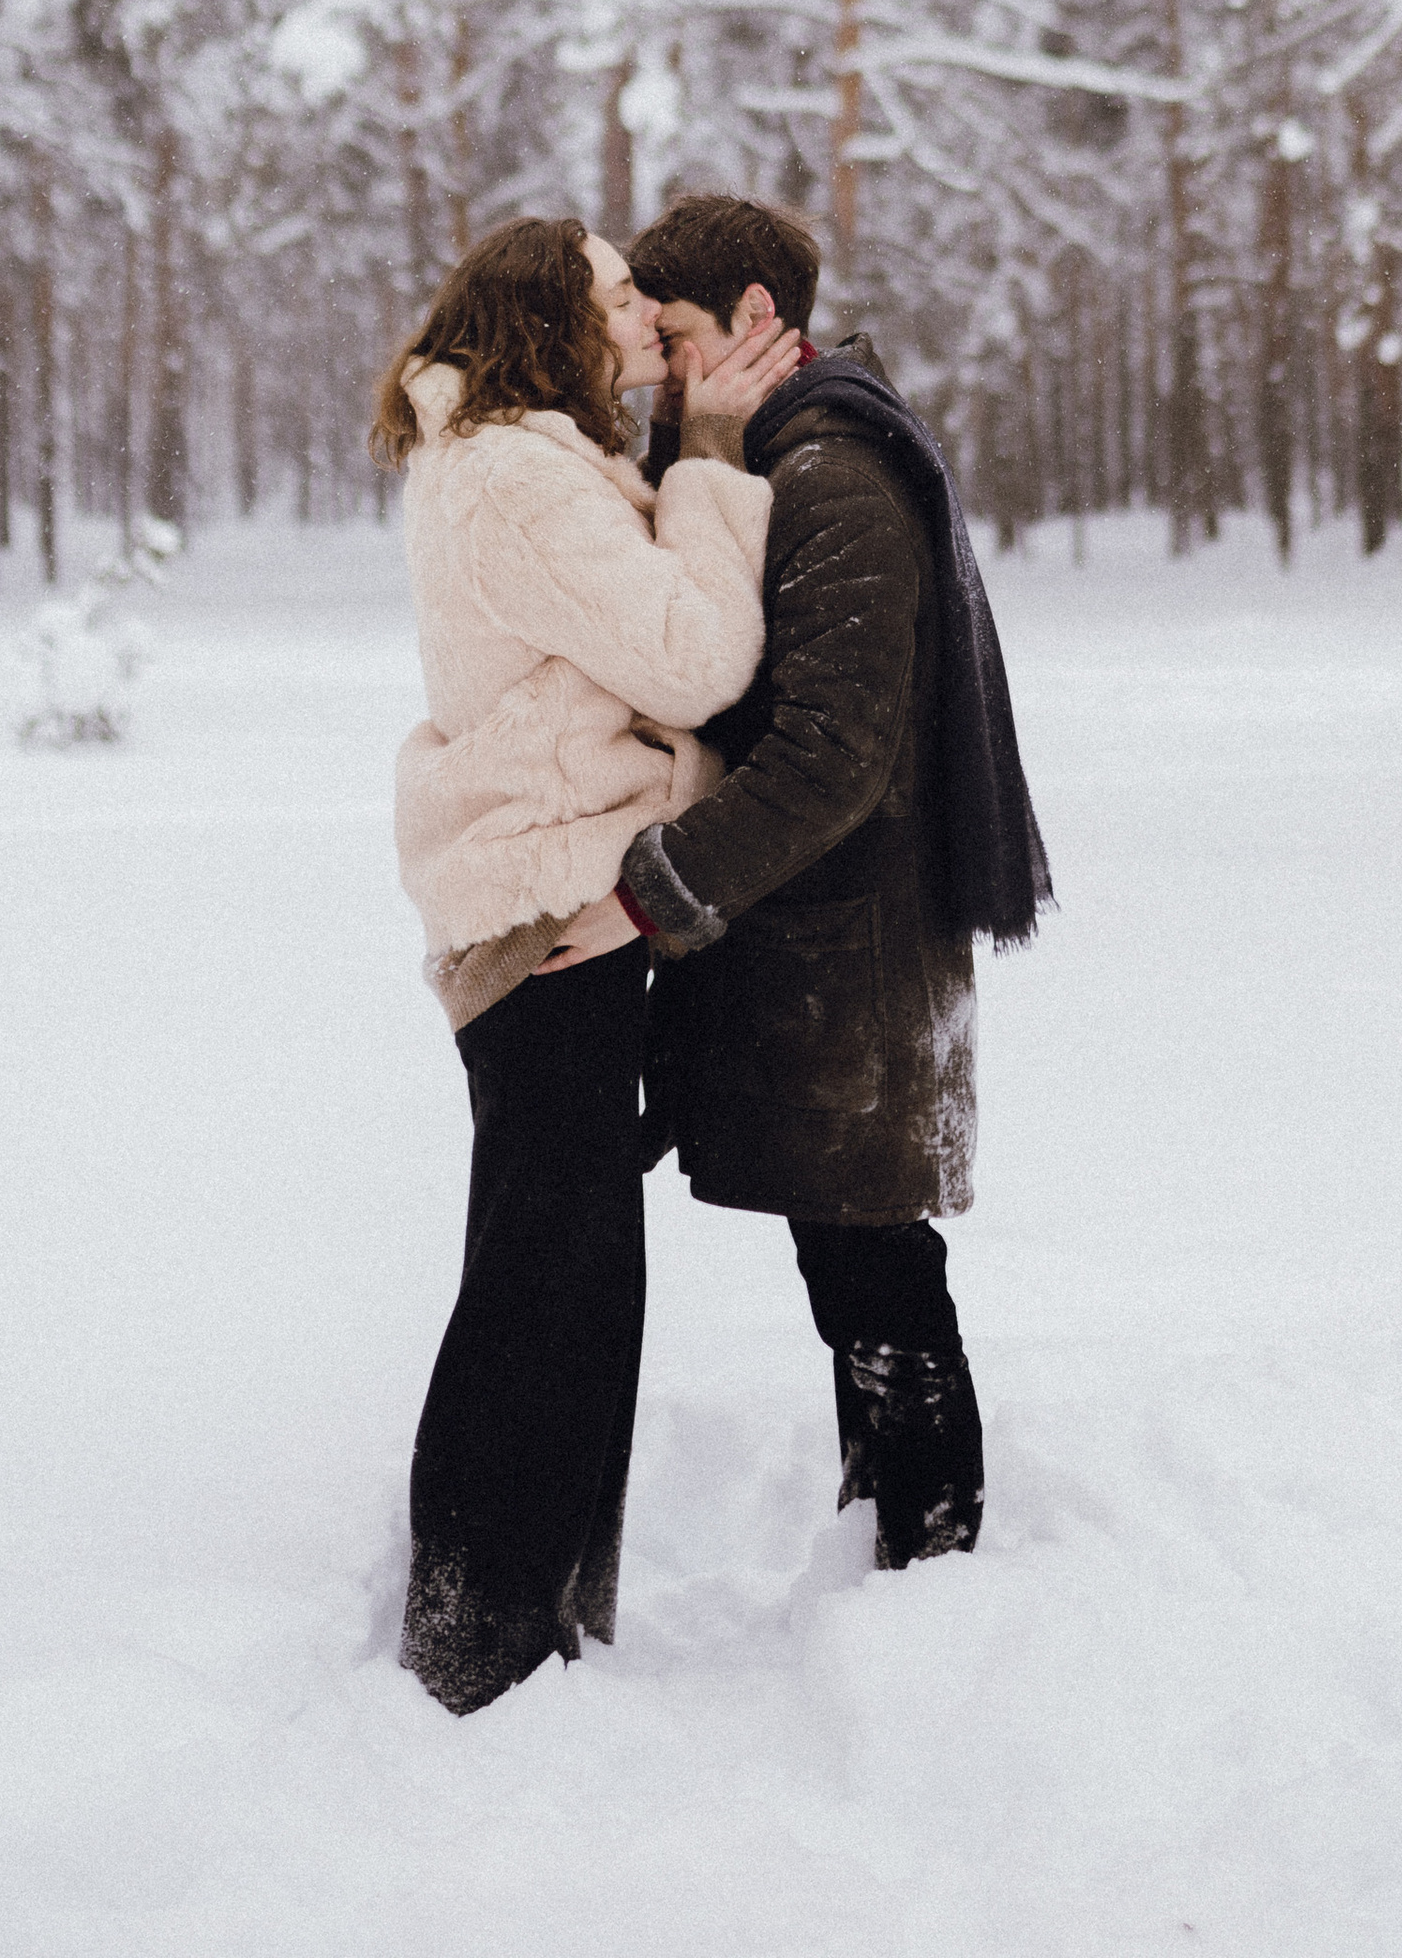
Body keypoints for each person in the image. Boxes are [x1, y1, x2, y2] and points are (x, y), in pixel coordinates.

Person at [594, 195, 1053, 1573]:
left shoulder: (834, 474)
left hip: (849, 958)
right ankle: (898, 1546)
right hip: (816, 950)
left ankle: (937, 1562)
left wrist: (655, 888)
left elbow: (833, 756)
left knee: (877, 1277)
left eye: (670, 336)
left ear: (750, 318)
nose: (657, 370)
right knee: (849, 1269)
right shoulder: (774, 456)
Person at [375, 214, 797, 1715]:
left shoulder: (520, 465)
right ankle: (478, 1634)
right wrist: (717, 462)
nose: (638, 321)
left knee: (562, 1273)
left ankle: (517, 1612)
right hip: (547, 912)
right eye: (618, 299)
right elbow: (695, 662)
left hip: (561, 902)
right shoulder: (516, 481)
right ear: (551, 317)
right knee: (546, 1283)